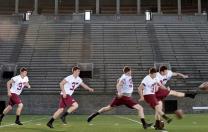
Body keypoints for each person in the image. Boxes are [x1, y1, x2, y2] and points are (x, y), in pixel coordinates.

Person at [87, 66, 152, 129]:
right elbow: (119, 85)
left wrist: (119, 91)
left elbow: (118, 82)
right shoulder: (125, 77)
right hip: (125, 97)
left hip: (123, 98)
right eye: (130, 71)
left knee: (108, 108)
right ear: (128, 71)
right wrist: (119, 92)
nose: (131, 72)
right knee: (140, 108)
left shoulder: (125, 76)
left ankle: (93, 115)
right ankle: (144, 124)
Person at [154, 66, 197, 130]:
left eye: (167, 71)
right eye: (165, 72)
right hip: (156, 91)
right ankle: (190, 95)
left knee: (158, 109)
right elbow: (160, 85)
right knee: (173, 93)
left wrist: (183, 76)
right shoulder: (157, 75)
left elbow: (177, 74)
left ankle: (157, 125)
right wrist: (166, 89)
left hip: (160, 92)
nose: (166, 73)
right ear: (161, 72)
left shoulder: (168, 73)